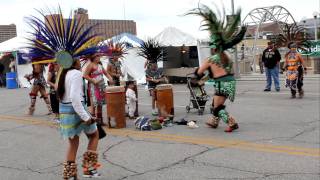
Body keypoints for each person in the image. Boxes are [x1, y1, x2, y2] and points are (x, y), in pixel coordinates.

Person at [26, 8, 105, 179]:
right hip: (76, 112)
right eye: (77, 57)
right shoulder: (75, 74)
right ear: (72, 60)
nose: (80, 59)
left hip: (66, 112)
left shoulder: (63, 74)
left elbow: (63, 97)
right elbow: (76, 99)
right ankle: (89, 169)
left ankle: (69, 175)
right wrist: (86, 117)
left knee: (73, 143)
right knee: (94, 135)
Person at [187, 3, 246, 132]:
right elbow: (218, 72)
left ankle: (231, 122)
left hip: (222, 85)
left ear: (213, 48)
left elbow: (199, 73)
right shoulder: (227, 57)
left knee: (217, 108)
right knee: (215, 103)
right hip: (230, 83)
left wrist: (195, 77)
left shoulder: (210, 59)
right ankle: (214, 122)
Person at [83, 54, 113, 124]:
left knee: (100, 103)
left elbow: (106, 73)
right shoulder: (90, 65)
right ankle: (93, 119)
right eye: (98, 56)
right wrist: (93, 80)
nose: (99, 57)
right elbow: (85, 75)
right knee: (94, 103)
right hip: (94, 86)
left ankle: (100, 120)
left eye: (99, 56)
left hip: (101, 85)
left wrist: (110, 78)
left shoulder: (100, 65)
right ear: (94, 58)